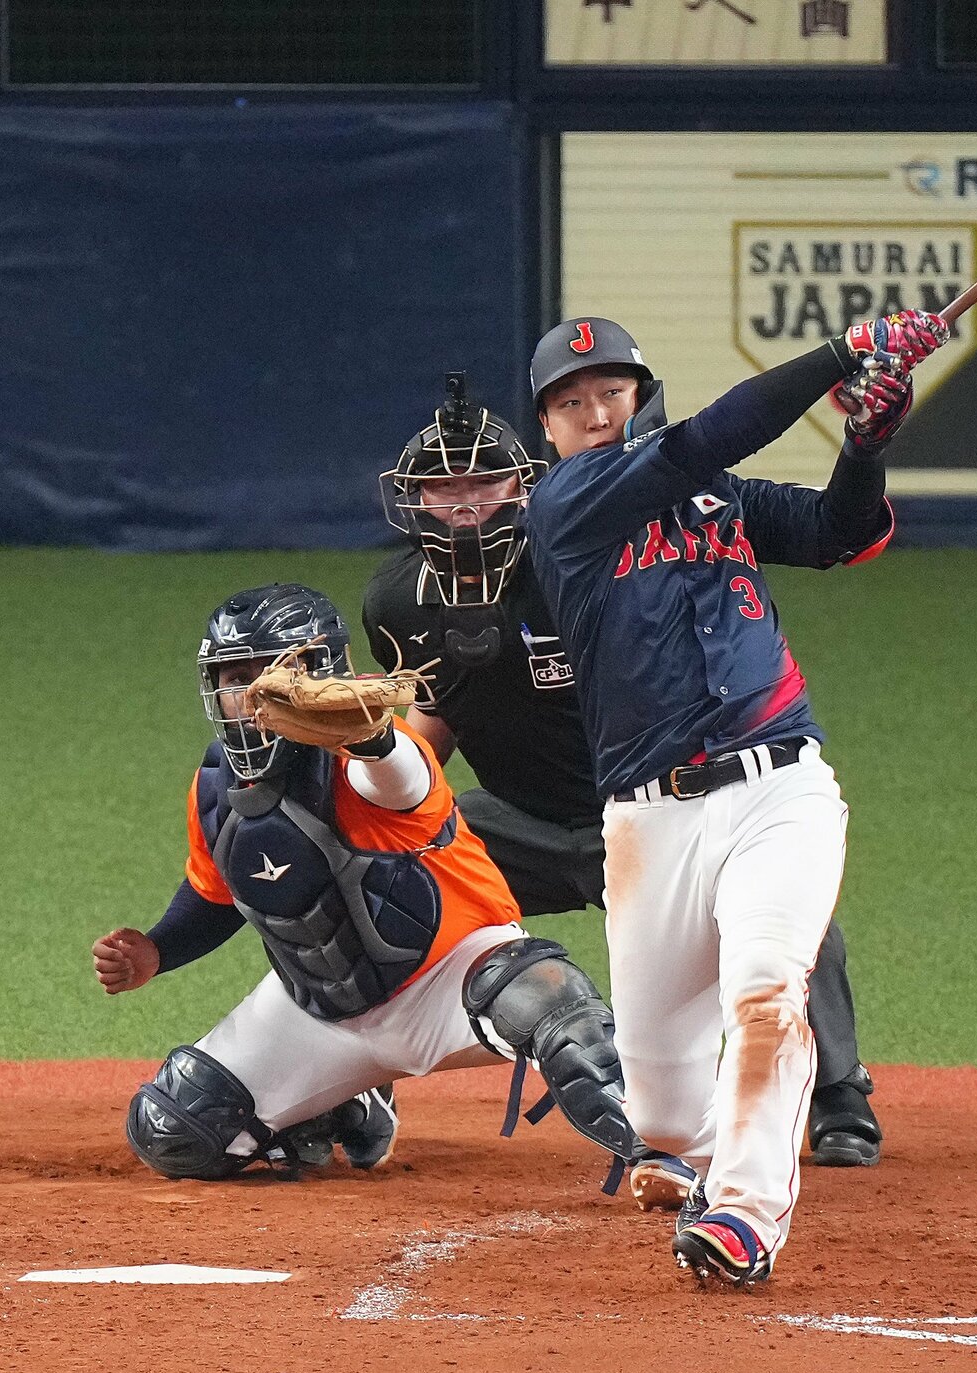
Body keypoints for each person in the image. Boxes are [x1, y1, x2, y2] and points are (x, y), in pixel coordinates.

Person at [362, 373, 884, 1214]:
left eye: (482, 481)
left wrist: (856, 426)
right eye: (441, 487)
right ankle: (361, 1073)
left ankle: (837, 1094)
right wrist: (366, 762)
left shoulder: (584, 533)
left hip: (641, 810)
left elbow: (754, 497)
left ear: (523, 480)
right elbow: (442, 719)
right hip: (527, 822)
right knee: (376, 876)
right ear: (411, 498)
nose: (462, 504)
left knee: (783, 923)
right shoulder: (398, 601)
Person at [521, 311, 946, 1284]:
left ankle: (745, 1218)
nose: (593, 412)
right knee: (660, 1115)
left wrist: (867, 441)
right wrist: (846, 351)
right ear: (549, 431)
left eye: (610, 393)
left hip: (779, 787)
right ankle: (691, 1147)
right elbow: (708, 437)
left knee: (766, 993)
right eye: (570, 403)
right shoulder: (566, 510)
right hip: (648, 826)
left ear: (640, 394)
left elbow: (843, 532)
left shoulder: (718, 500)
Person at [92, 581, 643, 1187]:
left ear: (322, 677)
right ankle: (348, 1102)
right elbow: (215, 894)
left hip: (451, 981)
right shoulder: (215, 791)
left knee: (547, 1001)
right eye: (232, 680)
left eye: (268, 679)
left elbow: (399, 778)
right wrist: (156, 949)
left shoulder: (373, 761)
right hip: (324, 1014)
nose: (248, 700)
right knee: (174, 1129)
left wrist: (367, 733)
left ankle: (672, 1150)